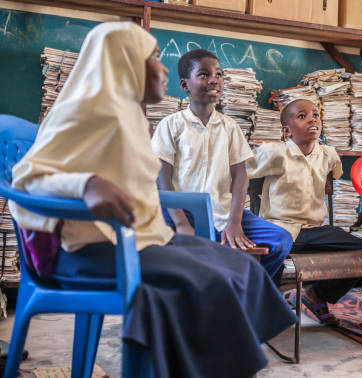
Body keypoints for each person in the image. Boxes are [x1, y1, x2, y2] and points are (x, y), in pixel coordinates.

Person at [8, 22, 296, 378]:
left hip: (131, 237)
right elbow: (26, 177)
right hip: (84, 251)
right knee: (207, 281)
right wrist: (87, 184)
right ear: (124, 63)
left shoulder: (127, 114)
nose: (163, 69)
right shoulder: (86, 112)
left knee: (244, 267)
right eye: (154, 58)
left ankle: (230, 359)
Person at [151, 49, 292, 280]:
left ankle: (245, 292)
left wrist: (235, 222)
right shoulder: (171, 125)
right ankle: (217, 294)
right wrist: (181, 223)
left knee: (280, 241)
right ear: (185, 85)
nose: (214, 79)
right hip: (180, 213)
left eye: (219, 74)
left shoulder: (229, 127)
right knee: (169, 251)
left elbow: (240, 176)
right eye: (204, 74)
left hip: (224, 212)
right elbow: (162, 178)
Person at [246, 99, 362, 326]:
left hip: (315, 231)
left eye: (316, 114)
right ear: (286, 130)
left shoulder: (329, 154)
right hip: (280, 227)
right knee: (271, 255)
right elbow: (243, 171)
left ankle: (316, 295)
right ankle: (264, 312)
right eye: (302, 116)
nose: (313, 119)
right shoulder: (273, 153)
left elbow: (334, 173)